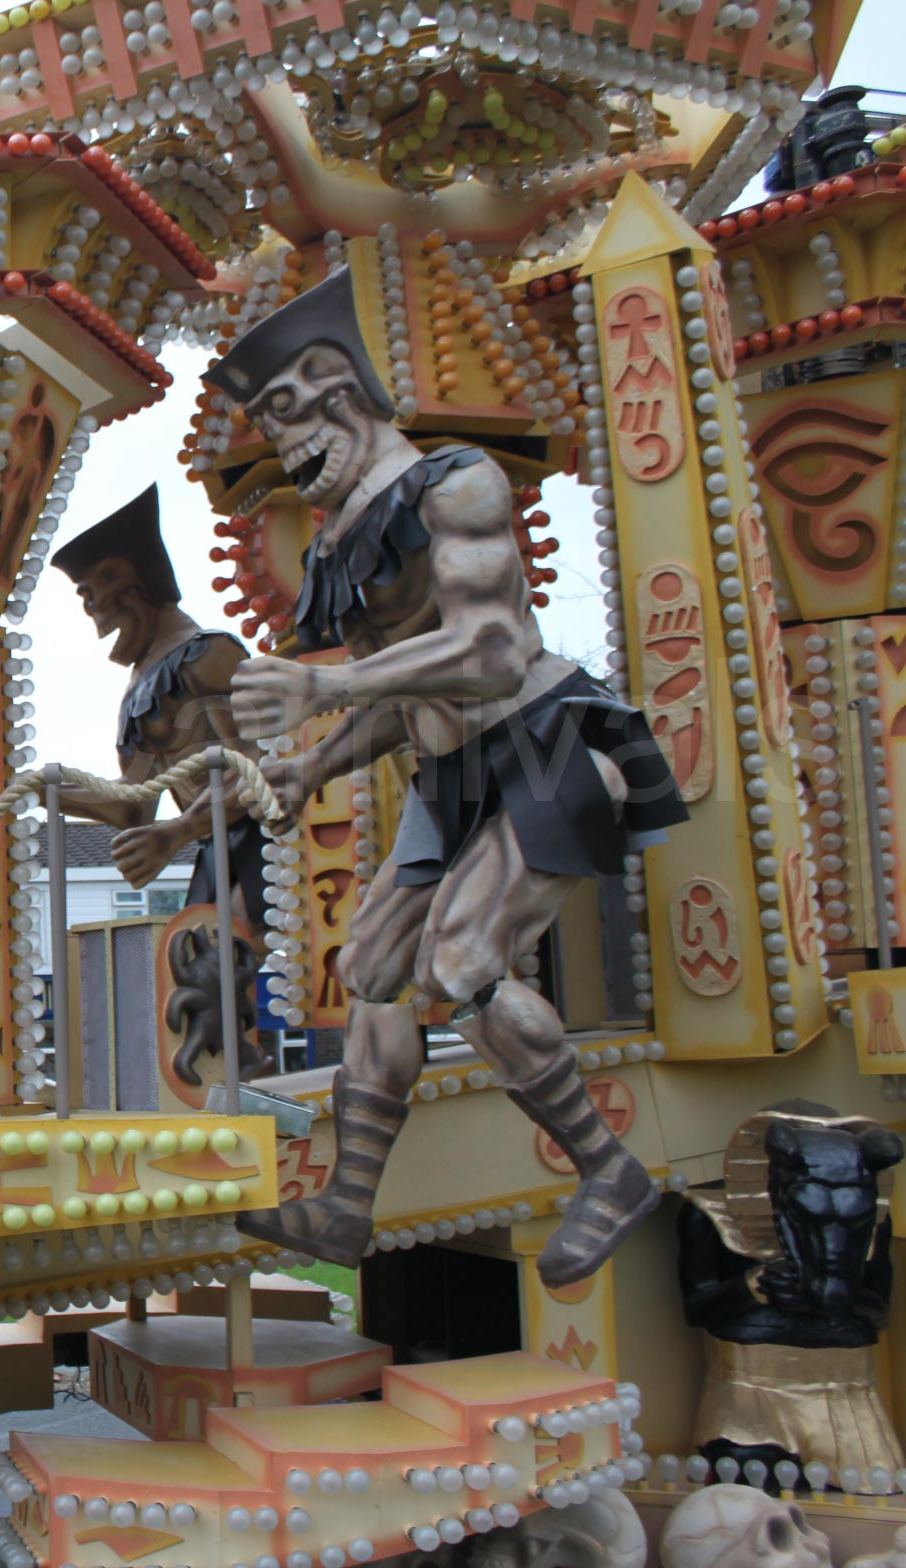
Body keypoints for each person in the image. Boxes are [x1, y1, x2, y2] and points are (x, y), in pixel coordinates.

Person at [209, 269, 686, 1286]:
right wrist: (310, 764)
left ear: (344, 385)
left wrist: (321, 686)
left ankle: (608, 1171)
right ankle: (347, 1206)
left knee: (462, 963)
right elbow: (407, 694)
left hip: (546, 744)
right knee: (371, 968)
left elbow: (491, 652)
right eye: (269, 424)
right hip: (453, 774)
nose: (286, 445)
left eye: (291, 410)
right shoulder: (341, 544)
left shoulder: (457, 485)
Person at [50, 485, 264, 929]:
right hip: (214, 847)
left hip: (264, 842)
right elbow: (134, 804)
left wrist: (177, 831)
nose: (92, 607)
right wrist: (40, 790)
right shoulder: (143, 682)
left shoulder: (210, 655)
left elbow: (260, 761)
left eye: (96, 588)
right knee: (196, 963)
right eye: (84, 595)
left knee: (216, 959)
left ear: (132, 583)